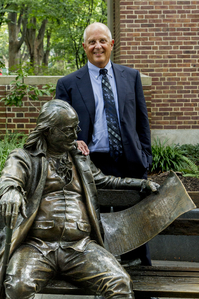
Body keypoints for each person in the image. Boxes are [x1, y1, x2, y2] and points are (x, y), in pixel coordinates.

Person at [0, 100, 159, 299]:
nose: (74, 135)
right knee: (17, 287)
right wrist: (11, 191)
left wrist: (141, 184)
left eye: (76, 129)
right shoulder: (25, 158)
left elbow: (106, 181)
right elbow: (9, 179)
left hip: (81, 246)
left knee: (120, 283)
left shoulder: (80, 159)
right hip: (37, 246)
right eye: (67, 130)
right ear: (48, 131)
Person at [56, 22, 152, 266]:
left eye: (102, 41)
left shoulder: (131, 77)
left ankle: (140, 283)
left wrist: (145, 157)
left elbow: (142, 121)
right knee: (93, 228)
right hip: (90, 166)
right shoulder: (68, 83)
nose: (97, 46)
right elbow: (57, 128)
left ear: (111, 44)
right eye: (91, 42)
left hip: (129, 162)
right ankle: (100, 279)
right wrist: (72, 140)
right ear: (84, 47)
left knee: (135, 229)